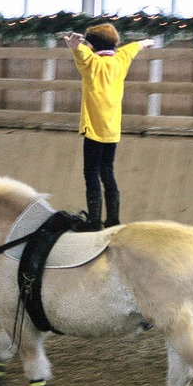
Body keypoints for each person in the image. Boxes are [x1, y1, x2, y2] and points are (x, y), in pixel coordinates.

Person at [64, 25, 154, 231]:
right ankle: (113, 218)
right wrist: (144, 42)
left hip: (94, 129)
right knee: (107, 172)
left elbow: (82, 54)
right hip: (112, 130)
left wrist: (75, 46)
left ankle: (94, 222)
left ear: (93, 45)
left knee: (91, 173)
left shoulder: (92, 63)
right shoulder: (120, 60)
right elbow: (131, 48)